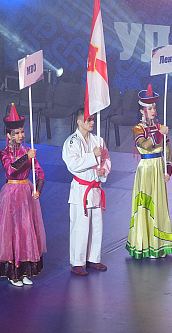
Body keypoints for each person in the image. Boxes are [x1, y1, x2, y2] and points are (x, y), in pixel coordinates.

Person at [0, 104, 46, 286]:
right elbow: (10, 170)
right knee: (13, 231)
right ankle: (13, 273)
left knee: (27, 230)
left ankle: (26, 270)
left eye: (22, 132)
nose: (21, 135)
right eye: (17, 133)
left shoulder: (28, 150)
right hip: (12, 194)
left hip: (26, 192)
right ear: (9, 135)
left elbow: (39, 173)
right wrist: (26, 157)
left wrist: (37, 190)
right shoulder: (4, 153)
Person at [126, 85, 172, 259]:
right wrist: (159, 134)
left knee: (159, 204)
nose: (153, 111)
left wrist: (168, 168)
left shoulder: (160, 127)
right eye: (150, 108)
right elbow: (145, 145)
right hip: (146, 169)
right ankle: (143, 243)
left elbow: (167, 150)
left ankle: (158, 244)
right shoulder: (138, 128)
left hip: (158, 168)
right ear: (142, 111)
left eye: (154, 107)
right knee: (146, 205)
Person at [62, 108, 111, 275]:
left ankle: (93, 258)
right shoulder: (72, 142)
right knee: (80, 227)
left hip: (95, 188)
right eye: (88, 119)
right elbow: (73, 164)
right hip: (81, 189)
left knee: (97, 226)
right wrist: (93, 156)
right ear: (79, 121)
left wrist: (102, 172)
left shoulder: (98, 140)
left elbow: (106, 160)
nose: (92, 122)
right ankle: (77, 262)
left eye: (92, 119)